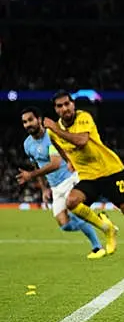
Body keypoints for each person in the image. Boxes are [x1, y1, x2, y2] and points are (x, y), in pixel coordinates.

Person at [45, 91, 124, 264]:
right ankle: (107, 228)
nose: (64, 108)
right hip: (88, 176)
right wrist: (68, 160)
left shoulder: (83, 117)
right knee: (72, 202)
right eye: (60, 106)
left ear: (73, 104)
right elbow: (58, 145)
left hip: (109, 170)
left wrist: (56, 129)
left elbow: (81, 141)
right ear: (55, 109)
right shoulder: (54, 132)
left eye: (67, 104)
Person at [18, 106, 105, 259]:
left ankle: (97, 247)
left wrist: (31, 175)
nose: (28, 124)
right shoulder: (27, 145)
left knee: (76, 214)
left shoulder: (51, 136)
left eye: (30, 120)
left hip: (70, 179)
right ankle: (100, 221)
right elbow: (36, 164)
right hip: (55, 187)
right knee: (65, 225)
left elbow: (55, 163)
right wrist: (44, 189)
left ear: (39, 120)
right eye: (24, 122)